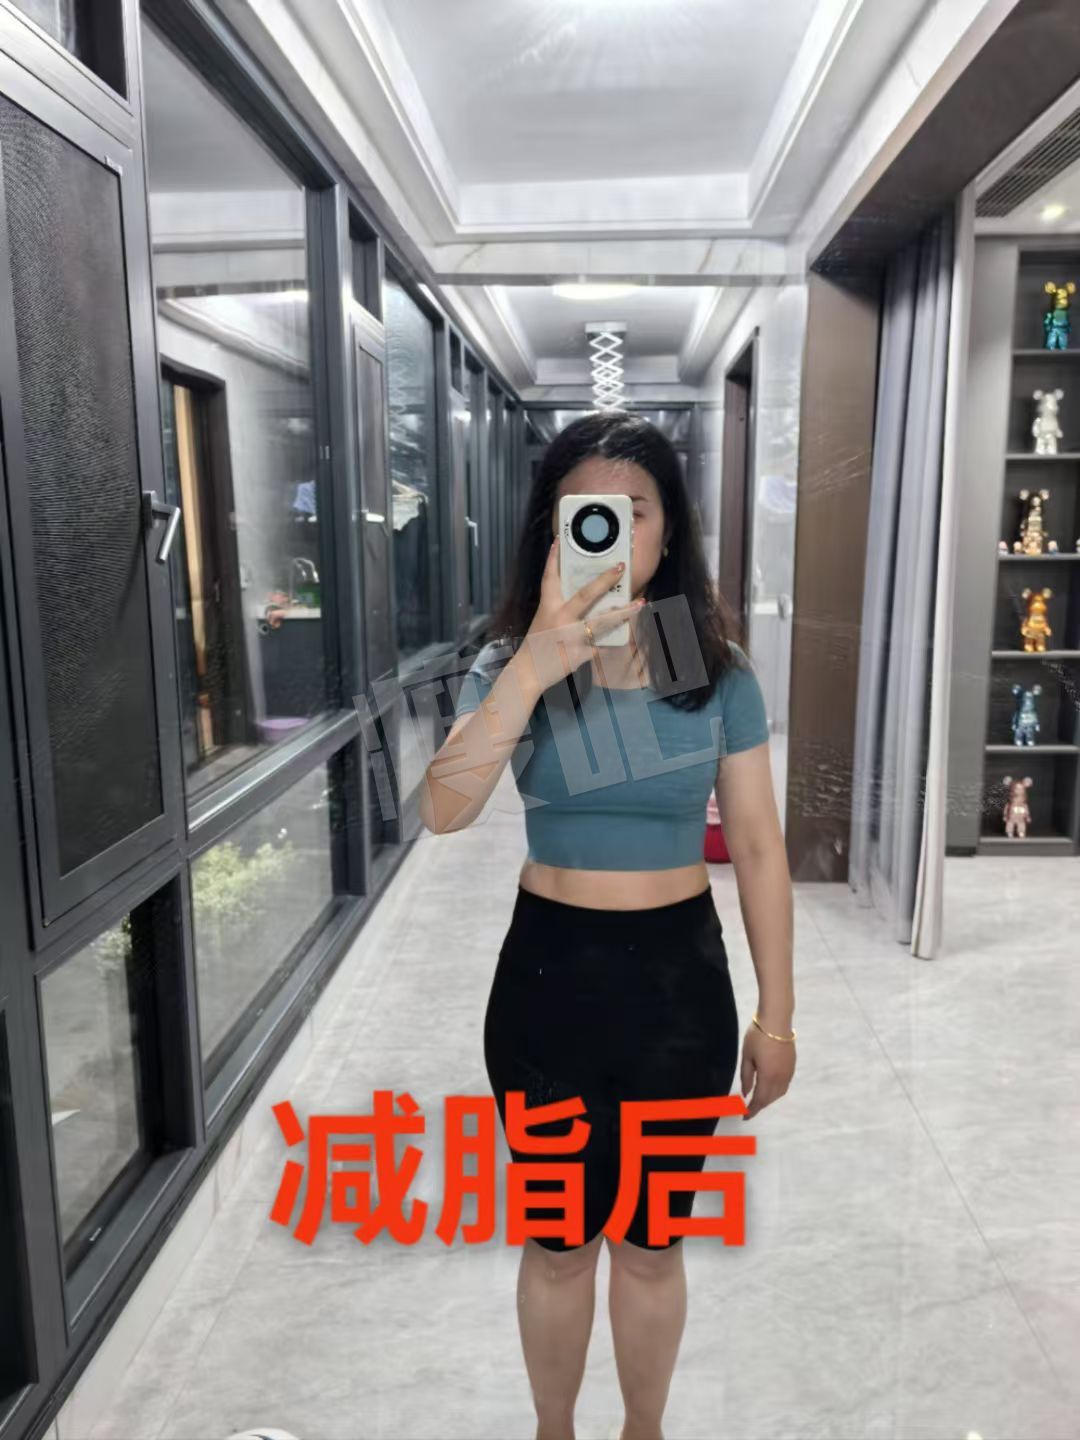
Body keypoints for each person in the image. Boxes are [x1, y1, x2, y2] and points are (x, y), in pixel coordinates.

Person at [419, 412, 796, 1440]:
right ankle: (555, 1430)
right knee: (556, 1245)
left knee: (651, 1246)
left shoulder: (708, 668)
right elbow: (444, 810)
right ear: (552, 533)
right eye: (585, 514)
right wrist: (535, 666)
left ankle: (643, 1429)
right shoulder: (512, 663)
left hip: (680, 989)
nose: (612, 533)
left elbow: (758, 846)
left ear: (668, 535)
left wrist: (778, 1015)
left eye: (635, 513)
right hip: (549, 985)